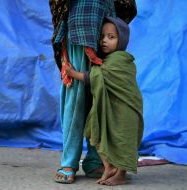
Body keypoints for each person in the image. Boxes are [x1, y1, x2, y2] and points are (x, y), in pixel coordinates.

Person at [65, 17, 144, 186]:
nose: (104, 41)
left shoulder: (121, 60)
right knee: (96, 133)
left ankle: (121, 175)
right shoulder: (106, 60)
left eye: (111, 37)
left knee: (122, 141)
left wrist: (74, 74)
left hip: (126, 111)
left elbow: (96, 76)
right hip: (111, 109)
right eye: (102, 37)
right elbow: (99, 74)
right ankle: (108, 166)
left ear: (121, 40)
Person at [49, 0, 116, 184]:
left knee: (101, 99)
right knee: (76, 98)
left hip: (106, 21)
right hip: (81, 24)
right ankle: (69, 161)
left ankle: (95, 160)